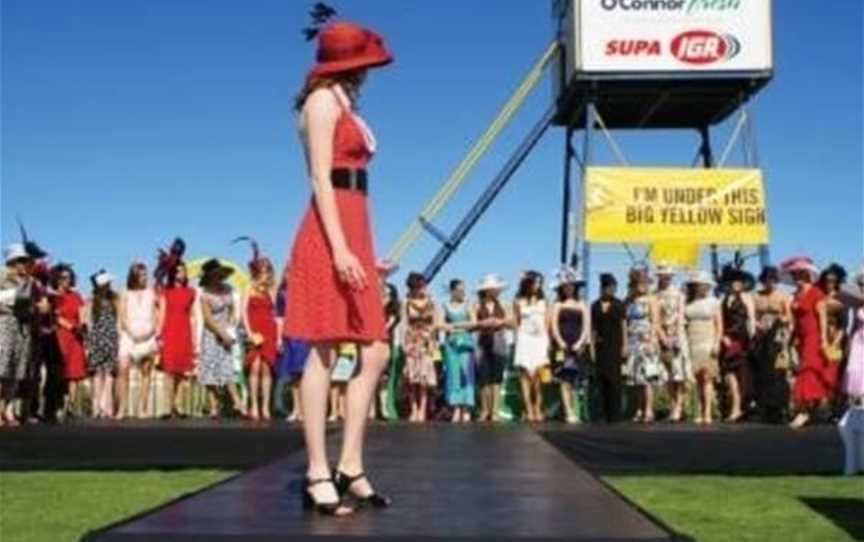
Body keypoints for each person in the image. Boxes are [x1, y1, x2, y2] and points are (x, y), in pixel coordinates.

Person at [282, 16, 394, 515]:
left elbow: (352, 187)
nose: (367, 72)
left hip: (355, 226)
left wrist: (367, 255)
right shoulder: (322, 101)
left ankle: (351, 464)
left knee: (375, 352)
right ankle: (317, 471)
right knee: (324, 347)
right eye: (362, 62)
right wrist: (343, 250)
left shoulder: (345, 101)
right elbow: (321, 181)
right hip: (329, 231)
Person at [784, 257, 834, 428]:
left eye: (799, 274)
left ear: (807, 275)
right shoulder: (795, 296)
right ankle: (818, 408)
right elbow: (794, 321)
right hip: (801, 338)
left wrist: (824, 341)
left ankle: (804, 412)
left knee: (807, 371)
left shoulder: (816, 293)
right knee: (809, 372)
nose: (796, 278)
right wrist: (790, 340)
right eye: (794, 275)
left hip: (814, 337)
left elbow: (823, 317)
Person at [198, 259, 246, 419]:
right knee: (210, 368)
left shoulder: (228, 289)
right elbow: (207, 318)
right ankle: (213, 406)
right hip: (211, 334)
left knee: (227, 367)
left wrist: (230, 327)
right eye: (215, 274)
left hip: (226, 331)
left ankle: (237, 402)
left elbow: (232, 309)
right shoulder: (205, 294)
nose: (218, 277)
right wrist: (221, 333)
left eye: (220, 274)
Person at [240, 242, 279, 422]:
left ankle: (265, 407)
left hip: (269, 329)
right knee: (254, 366)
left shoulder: (270, 290)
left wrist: (270, 287)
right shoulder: (248, 287)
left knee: (267, 368)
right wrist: (249, 332)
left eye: (267, 269)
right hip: (254, 329)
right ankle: (254, 404)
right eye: (262, 269)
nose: (265, 272)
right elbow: (243, 312)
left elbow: (275, 313)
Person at [116, 262, 159, 419]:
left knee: (146, 372)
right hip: (130, 335)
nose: (145, 278)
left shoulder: (151, 292)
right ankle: (122, 408)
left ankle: (143, 409)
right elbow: (122, 315)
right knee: (123, 370)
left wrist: (151, 331)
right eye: (141, 275)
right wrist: (131, 332)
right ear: (134, 276)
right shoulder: (124, 292)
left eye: (146, 275)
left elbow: (156, 314)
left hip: (147, 335)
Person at [157, 259, 198, 420]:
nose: (183, 273)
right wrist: (159, 335)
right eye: (180, 270)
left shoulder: (191, 292)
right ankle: (167, 407)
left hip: (184, 331)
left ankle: (178, 406)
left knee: (181, 372)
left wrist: (194, 337)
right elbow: (161, 315)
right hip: (170, 332)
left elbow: (193, 316)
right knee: (168, 371)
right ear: (173, 273)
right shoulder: (165, 292)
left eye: (184, 270)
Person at [0, 244, 36, 426]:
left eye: (25, 261)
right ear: (11, 261)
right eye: (20, 261)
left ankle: (8, 408)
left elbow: (31, 303)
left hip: (22, 326)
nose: (23, 265)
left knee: (16, 369)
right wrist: (11, 298)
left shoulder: (28, 281)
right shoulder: (2, 274)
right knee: (2, 368)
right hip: (4, 323)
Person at [751, 266, 793, 423]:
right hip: (761, 335)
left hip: (778, 336)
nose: (771, 283)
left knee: (779, 372)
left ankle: (780, 407)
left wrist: (781, 320)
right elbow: (752, 315)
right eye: (768, 280)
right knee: (763, 372)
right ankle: (765, 407)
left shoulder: (783, 296)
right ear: (763, 281)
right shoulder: (756, 296)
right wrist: (757, 324)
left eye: (774, 280)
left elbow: (788, 316)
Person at [623, 266, 665, 423]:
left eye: (645, 282)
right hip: (633, 339)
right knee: (636, 378)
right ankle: (639, 408)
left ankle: (648, 409)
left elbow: (655, 322)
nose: (642, 285)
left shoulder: (652, 299)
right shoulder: (629, 300)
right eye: (638, 282)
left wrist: (653, 340)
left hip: (647, 339)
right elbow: (624, 321)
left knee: (647, 377)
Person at [549, 267, 589, 424]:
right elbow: (554, 326)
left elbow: (586, 325)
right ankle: (568, 411)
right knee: (564, 378)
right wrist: (560, 342)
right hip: (562, 346)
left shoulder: (582, 304)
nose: (569, 288)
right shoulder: (558, 304)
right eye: (566, 286)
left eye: (571, 285)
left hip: (577, 346)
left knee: (574, 380)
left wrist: (580, 342)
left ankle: (572, 409)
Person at [684, 270, 723, 425]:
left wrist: (716, 343)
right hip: (692, 340)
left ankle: (708, 412)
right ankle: (699, 410)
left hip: (708, 340)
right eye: (698, 284)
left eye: (703, 284)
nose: (701, 287)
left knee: (707, 376)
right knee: (697, 378)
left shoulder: (714, 302)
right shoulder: (689, 302)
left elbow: (719, 325)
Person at [718, 264, 756, 422]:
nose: (736, 284)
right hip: (728, 339)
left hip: (742, 339)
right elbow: (722, 319)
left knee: (742, 374)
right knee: (728, 373)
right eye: (733, 281)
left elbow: (751, 319)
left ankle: (739, 407)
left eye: (739, 281)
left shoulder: (746, 298)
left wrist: (753, 337)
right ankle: (736, 406)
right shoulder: (724, 299)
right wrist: (722, 336)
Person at [654, 265, 691, 422]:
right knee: (666, 374)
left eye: (668, 274)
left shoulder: (679, 294)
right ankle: (673, 404)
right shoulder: (655, 294)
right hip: (661, 335)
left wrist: (675, 336)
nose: (665, 277)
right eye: (663, 274)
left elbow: (681, 315)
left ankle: (679, 407)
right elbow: (655, 319)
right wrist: (662, 336)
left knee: (679, 373)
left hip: (677, 333)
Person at [473, 274, 511, 422]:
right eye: (494, 289)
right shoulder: (476, 305)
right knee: (484, 378)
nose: (496, 291)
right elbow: (473, 323)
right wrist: (484, 323)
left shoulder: (504, 305)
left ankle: (495, 410)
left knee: (496, 378)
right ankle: (484, 410)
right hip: (482, 341)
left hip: (499, 341)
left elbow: (512, 323)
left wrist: (499, 321)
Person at [52, 263, 88, 419]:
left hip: (76, 338)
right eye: (62, 278)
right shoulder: (54, 296)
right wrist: (70, 326)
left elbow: (83, 313)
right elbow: (55, 317)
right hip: (61, 335)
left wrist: (83, 325)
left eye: (68, 277)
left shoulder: (76, 295)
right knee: (61, 373)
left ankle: (71, 406)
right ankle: (58, 405)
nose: (66, 281)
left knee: (74, 374)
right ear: (57, 279)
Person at [273, 276, 311, 422]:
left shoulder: (307, 292)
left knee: (305, 374)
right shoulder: (282, 293)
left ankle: (307, 410)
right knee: (294, 375)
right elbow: (279, 318)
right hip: (290, 335)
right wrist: (278, 339)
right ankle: (296, 409)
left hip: (305, 335)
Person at [402, 272, 438, 423]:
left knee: (424, 376)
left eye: (424, 284)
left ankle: (422, 408)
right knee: (412, 376)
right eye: (420, 285)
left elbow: (434, 323)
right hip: (412, 339)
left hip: (426, 339)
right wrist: (404, 344)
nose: (423, 287)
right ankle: (414, 407)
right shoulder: (406, 302)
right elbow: (404, 323)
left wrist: (433, 341)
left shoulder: (431, 301)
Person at [591, 273, 626, 423]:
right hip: (600, 345)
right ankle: (602, 414)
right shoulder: (595, 306)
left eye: (614, 288)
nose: (612, 290)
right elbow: (593, 329)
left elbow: (623, 326)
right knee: (601, 380)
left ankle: (615, 415)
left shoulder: (619, 305)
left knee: (615, 381)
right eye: (609, 288)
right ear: (603, 288)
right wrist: (592, 347)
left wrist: (625, 345)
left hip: (615, 345)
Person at [441, 279, 476, 423]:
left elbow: (473, 322)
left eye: (464, 290)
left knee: (466, 374)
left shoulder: (468, 304)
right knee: (453, 374)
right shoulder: (445, 305)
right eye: (460, 290)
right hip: (451, 343)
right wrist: (448, 327)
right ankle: (456, 407)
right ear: (452, 291)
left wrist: (455, 325)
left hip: (466, 342)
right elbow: (439, 324)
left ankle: (467, 407)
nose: (463, 292)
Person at [87, 270, 120, 419]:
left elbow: (118, 318)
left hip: (111, 337)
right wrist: (88, 342)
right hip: (96, 338)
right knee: (97, 374)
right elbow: (88, 320)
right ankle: (96, 407)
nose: (109, 285)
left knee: (109, 373)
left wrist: (117, 338)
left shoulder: (114, 299)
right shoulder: (92, 300)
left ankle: (107, 407)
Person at [841, 266, 864, 403]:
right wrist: (849, 341)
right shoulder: (856, 304)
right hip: (858, 340)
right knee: (853, 369)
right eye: (861, 284)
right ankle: (856, 402)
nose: (862, 287)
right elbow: (854, 323)